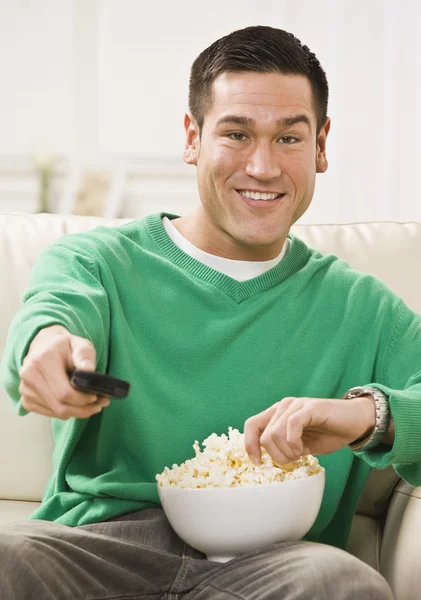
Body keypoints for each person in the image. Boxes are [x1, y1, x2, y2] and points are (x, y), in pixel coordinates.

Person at [3, 23, 418, 599]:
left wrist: (368, 415)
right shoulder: (97, 261)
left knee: (341, 581)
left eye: (289, 139)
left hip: (276, 566)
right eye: (237, 134)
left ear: (321, 145)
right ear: (193, 137)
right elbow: (54, 315)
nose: (264, 167)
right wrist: (46, 349)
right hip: (104, 550)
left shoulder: (361, 307)